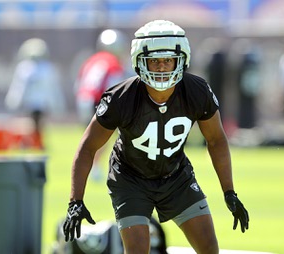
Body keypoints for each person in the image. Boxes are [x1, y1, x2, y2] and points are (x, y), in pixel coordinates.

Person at [63, 20, 249, 253]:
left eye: (168, 60)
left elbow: (216, 140)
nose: (161, 68)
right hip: (130, 180)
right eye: (154, 61)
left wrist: (229, 191)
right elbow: (87, 147)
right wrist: (75, 201)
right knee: (138, 250)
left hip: (176, 177)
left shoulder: (196, 91)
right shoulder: (122, 97)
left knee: (210, 249)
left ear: (181, 60)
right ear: (139, 62)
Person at [74, 29, 127, 181]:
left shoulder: (91, 60)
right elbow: (114, 87)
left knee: (92, 136)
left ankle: (91, 166)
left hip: (84, 98)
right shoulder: (113, 62)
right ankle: (95, 167)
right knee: (104, 136)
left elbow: (80, 82)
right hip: (100, 99)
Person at [5, 38, 65, 149]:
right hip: (35, 103)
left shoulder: (40, 68)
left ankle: (34, 143)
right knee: (33, 125)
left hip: (37, 104)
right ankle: (32, 143)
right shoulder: (28, 68)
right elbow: (19, 87)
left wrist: (14, 100)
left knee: (36, 125)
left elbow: (52, 89)